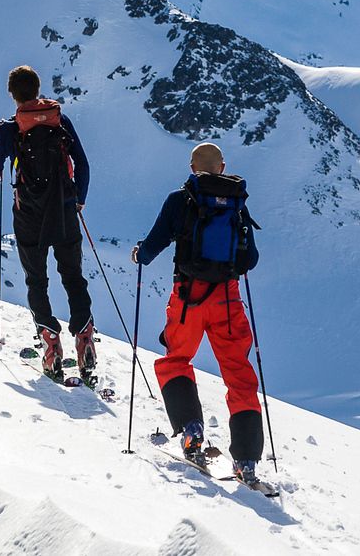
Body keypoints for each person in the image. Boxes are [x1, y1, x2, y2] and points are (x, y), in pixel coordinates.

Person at [131, 142, 269, 491]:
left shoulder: (182, 199)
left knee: (176, 360)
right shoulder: (237, 201)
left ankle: (191, 430)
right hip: (228, 301)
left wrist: (139, 255)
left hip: (189, 299)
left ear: (192, 167)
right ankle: (247, 460)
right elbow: (249, 259)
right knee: (240, 376)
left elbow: (154, 244)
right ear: (223, 166)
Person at [0, 65, 94, 382]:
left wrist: (0, 144)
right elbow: (83, 163)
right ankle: (85, 339)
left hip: (29, 215)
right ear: (38, 88)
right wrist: (78, 199)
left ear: (12, 94)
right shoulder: (60, 119)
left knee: (37, 279)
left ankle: (51, 347)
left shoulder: (9, 129)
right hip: (64, 210)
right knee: (73, 276)